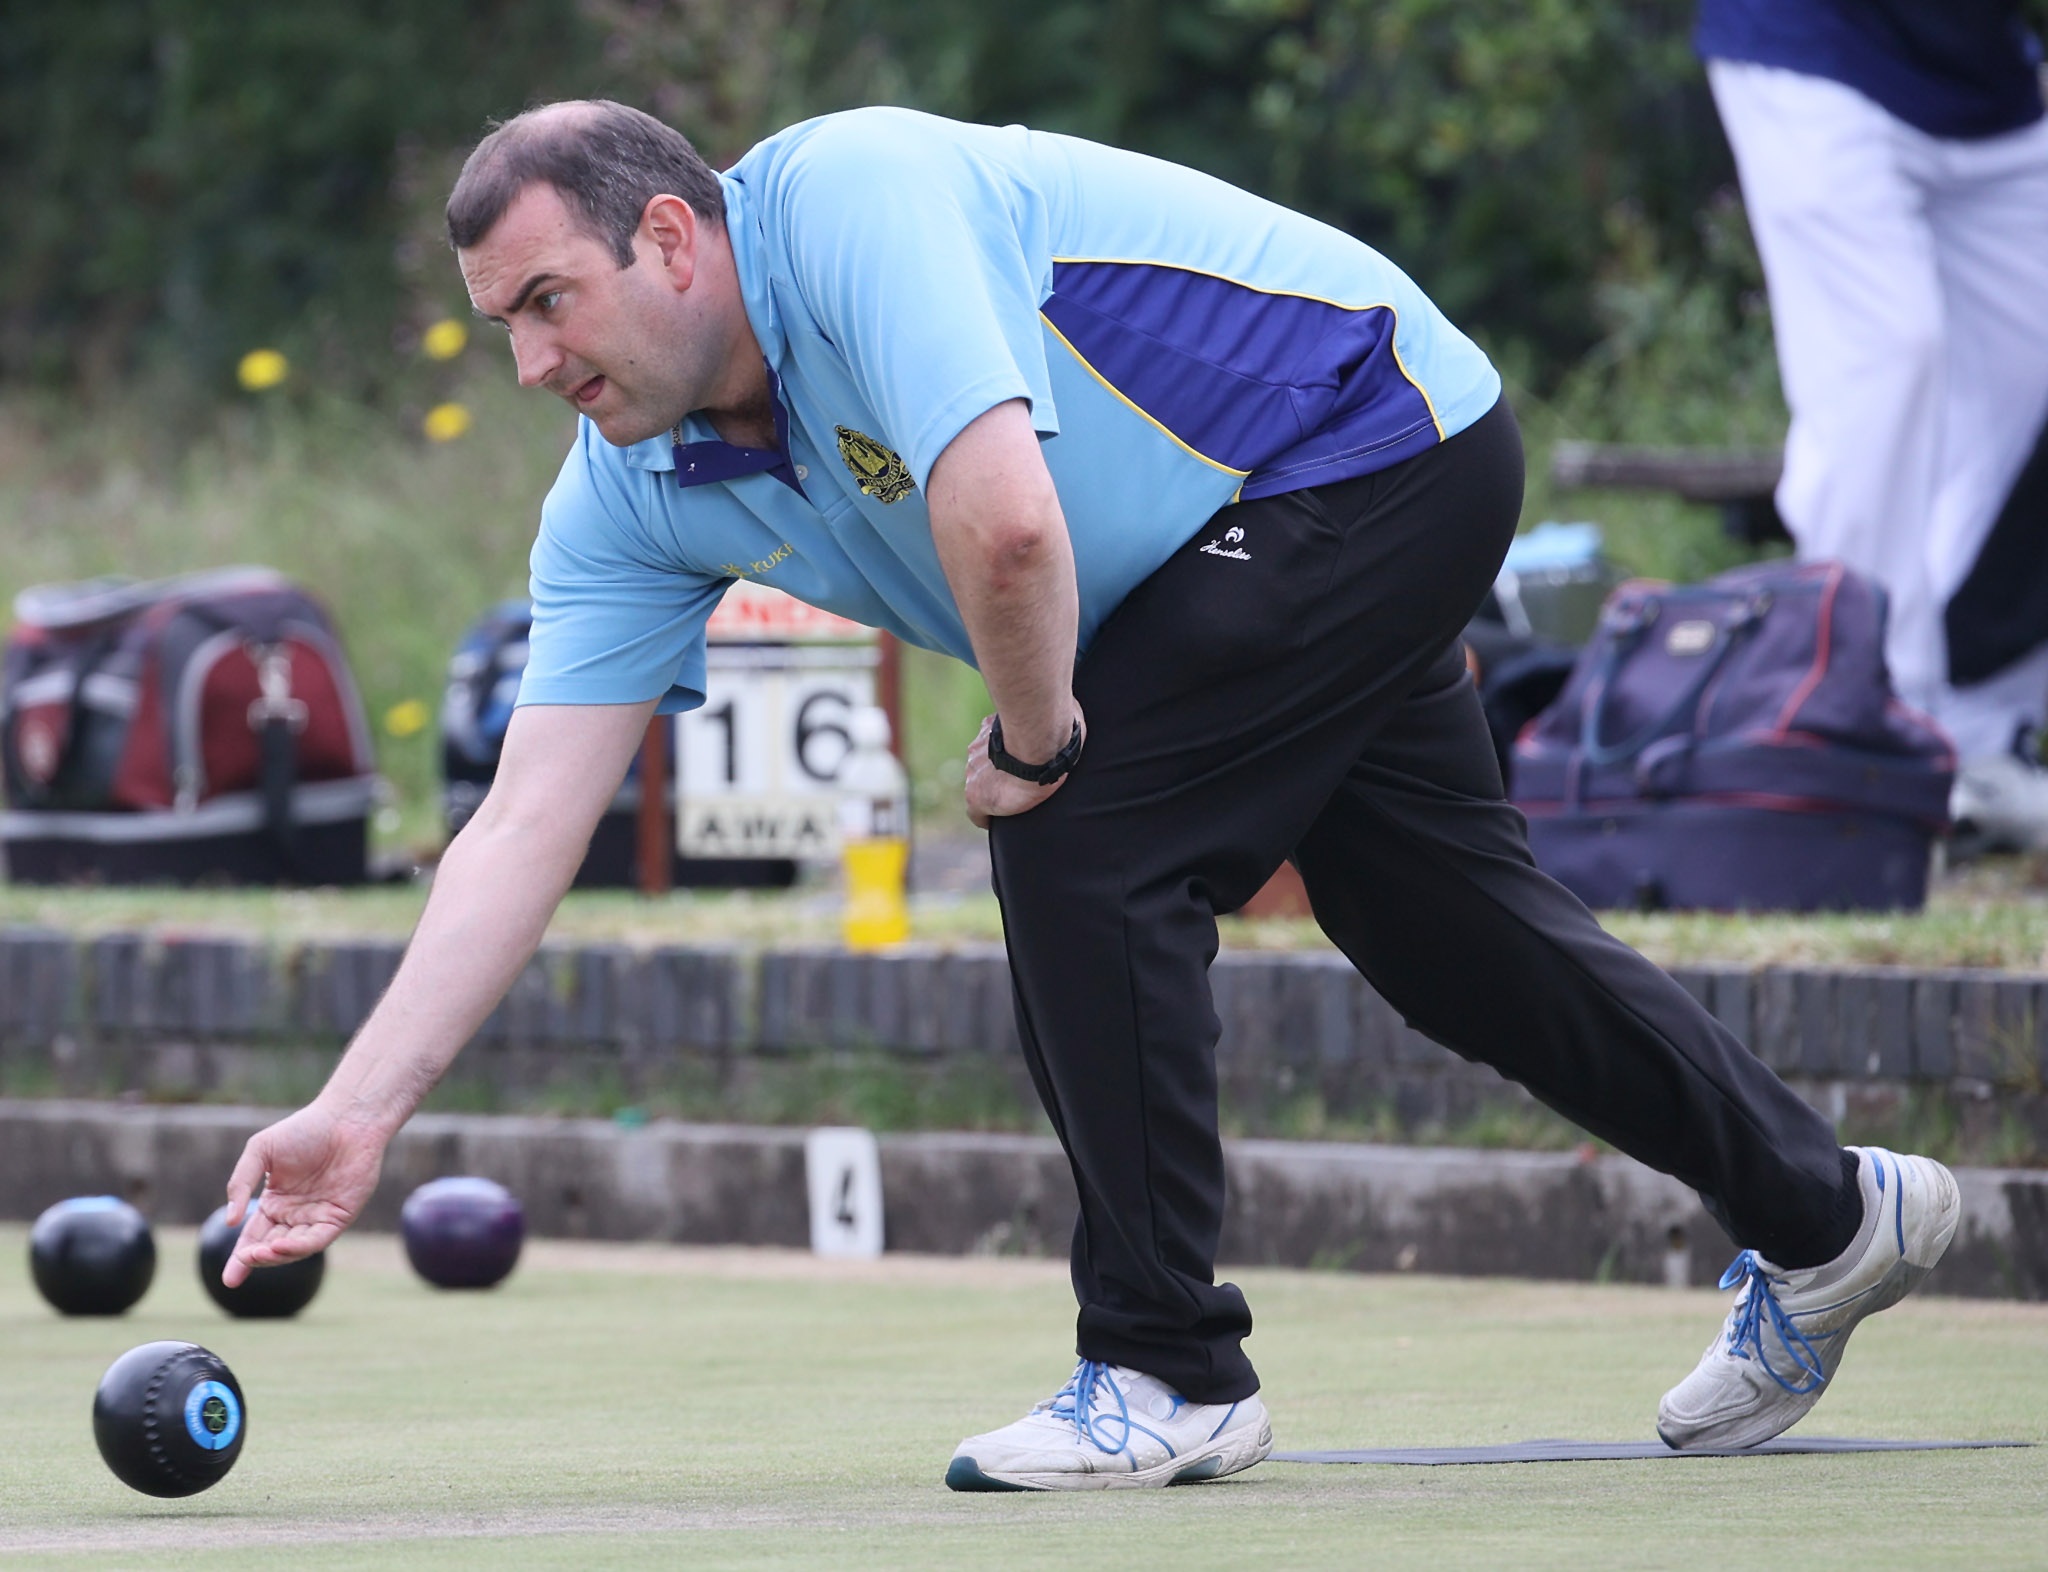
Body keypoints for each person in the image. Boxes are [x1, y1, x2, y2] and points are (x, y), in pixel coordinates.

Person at [220, 99, 1960, 1490]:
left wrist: (1041, 746)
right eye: (497, 327)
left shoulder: (855, 200)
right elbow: (522, 825)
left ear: (668, 237)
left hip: (1368, 436)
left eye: (547, 303)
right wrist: (360, 1111)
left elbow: (1008, 526)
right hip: (1224, 559)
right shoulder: (626, 494)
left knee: (1078, 831)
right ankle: (1827, 1216)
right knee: (1448, 935)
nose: (530, 364)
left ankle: (1163, 1366)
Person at [1698, 0, 2048, 846]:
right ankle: (1858, 732)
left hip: (1986, 75)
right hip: (1811, 42)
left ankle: (1975, 734)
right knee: (1885, 362)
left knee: (2029, 380)